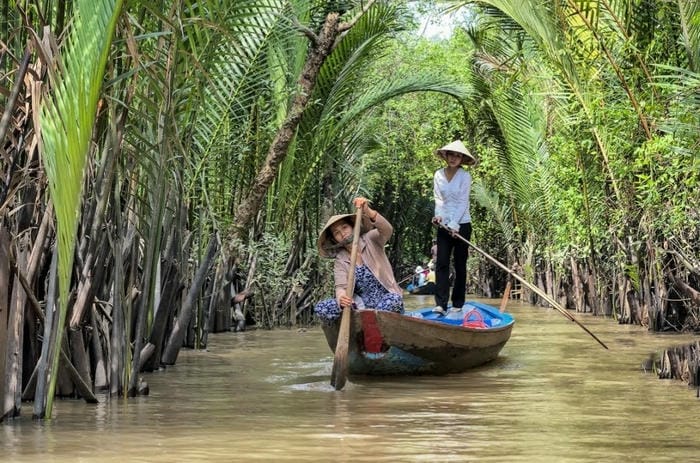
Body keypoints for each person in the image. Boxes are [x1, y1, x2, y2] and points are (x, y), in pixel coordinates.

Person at [314, 197, 404, 323]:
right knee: (322, 308)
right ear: (335, 239)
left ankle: (372, 325)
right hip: (360, 308)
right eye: (337, 233)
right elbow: (341, 287)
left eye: (344, 227)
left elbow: (387, 230)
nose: (342, 233)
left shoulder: (370, 239)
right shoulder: (341, 259)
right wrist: (341, 298)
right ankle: (361, 325)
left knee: (394, 300)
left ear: (352, 226)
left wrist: (368, 210)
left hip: (385, 302)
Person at [431, 140, 477, 315]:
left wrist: (455, 225)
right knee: (441, 263)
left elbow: (462, 202)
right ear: (446, 156)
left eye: (458, 156)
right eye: (451, 154)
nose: (454, 158)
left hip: (462, 224)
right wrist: (439, 216)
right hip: (443, 225)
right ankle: (441, 304)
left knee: (460, 264)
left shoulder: (465, 177)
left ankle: (458, 303)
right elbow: (439, 200)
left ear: (462, 159)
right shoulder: (438, 175)